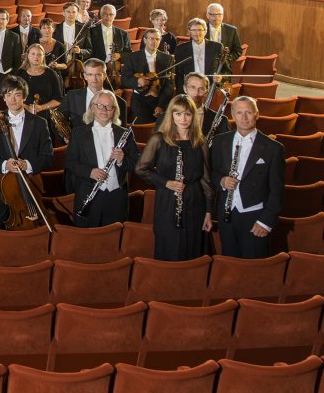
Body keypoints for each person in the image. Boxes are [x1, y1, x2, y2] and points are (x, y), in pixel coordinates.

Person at [137, 95, 213, 260]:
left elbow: (206, 179)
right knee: (169, 245)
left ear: (193, 115)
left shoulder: (200, 142)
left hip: (194, 200)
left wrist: (208, 211)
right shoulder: (159, 139)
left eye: (187, 114)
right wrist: (166, 182)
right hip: (167, 199)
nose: (183, 119)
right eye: (178, 114)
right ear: (171, 115)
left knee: (193, 247)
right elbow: (141, 169)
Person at [211, 96, 285, 259]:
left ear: (257, 114)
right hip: (227, 214)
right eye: (239, 112)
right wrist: (222, 181)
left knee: (253, 267)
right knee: (229, 263)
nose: (244, 117)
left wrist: (265, 222)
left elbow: (277, 190)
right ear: (232, 115)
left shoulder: (273, 148)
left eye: (248, 112)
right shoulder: (219, 141)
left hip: (255, 217)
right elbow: (212, 173)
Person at [0, 76, 53, 230]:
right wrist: (4, 164)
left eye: (17, 94)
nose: (13, 99)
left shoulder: (40, 124)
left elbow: (48, 157)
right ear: (4, 98)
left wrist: (26, 164)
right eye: (8, 95)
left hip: (28, 182)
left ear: (24, 97)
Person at [64, 90, 137, 227]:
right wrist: (89, 172)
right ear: (92, 107)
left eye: (109, 107)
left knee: (114, 240)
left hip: (116, 198)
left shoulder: (125, 134)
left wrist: (122, 160)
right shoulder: (78, 133)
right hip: (89, 194)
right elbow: (70, 163)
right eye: (100, 106)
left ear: (114, 110)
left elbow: (136, 164)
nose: (104, 110)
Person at [122, 28, 175, 124]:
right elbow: (125, 79)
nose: (154, 42)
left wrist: (161, 105)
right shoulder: (132, 57)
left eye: (157, 39)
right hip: (140, 100)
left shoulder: (168, 59)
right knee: (144, 127)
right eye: (151, 38)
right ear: (145, 40)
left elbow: (169, 85)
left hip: (159, 99)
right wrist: (137, 81)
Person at [62, 58, 128, 127]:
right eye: (90, 74)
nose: (94, 79)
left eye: (98, 75)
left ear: (105, 76)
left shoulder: (120, 102)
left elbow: (121, 132)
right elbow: (58, 123)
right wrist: (65, 138)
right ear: (85, 76)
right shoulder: (71, 96)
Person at [175, 17, 225, 90]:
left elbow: (226, 70)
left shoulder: (217, 47)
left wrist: (220, 78)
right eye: (194, 30)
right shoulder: (181, 49)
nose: (197, 33)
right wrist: (182, 91)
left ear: (205, 31)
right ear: (189, 32)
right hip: (190, 90)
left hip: (211, 88)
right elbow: (178, 74)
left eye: (199, 30)